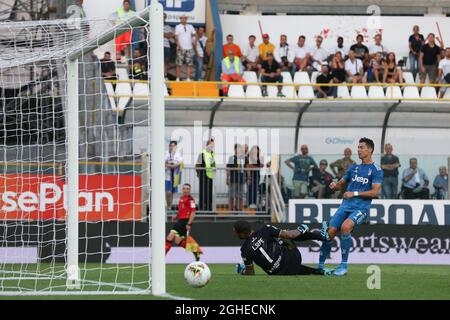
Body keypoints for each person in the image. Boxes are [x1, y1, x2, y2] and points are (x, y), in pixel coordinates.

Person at [319, 137, 383, 276]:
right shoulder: (353, 167)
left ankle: (343, 266)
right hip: (345, 206)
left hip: (361, 209)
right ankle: (320, 266)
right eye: (358, 147)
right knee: (329, 232)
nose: (358, 150)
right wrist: (335, 185)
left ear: (370, 150)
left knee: (345, 227)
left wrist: (353, 193)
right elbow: (341, 183)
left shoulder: (376, 170)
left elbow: (374, 192)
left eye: (361, 147)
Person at [234, 221, 332, 276]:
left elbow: (250, 273)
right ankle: (321, 236)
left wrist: (242, 271)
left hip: (277, 273)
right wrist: (300, 230)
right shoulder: (265, 229)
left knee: (283, 266)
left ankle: (319, 272)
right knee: (286, 234)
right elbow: (290, 235)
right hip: (293, 259)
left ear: (242, 233)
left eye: (236, 233)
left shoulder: (244, 250)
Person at [165, 183, 201, 261]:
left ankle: (162, 256)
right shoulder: (181, 199)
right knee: (178, 241)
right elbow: (181, 211)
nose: (185, 190)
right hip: (180, 220)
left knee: (170, 236)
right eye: (184, 188)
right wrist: (176, 216)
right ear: (182, 190)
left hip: (184, 221)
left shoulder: (191, 200)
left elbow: (193, 213)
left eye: (187, 189)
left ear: (190, 190)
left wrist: (189, 223)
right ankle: (195, 251)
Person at [195, 138, 216, 211]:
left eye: (213, 144)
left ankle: (209, 208)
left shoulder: (212, 154)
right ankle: (202, 208)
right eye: (210, 144)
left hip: (210, 176)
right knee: (203, 191)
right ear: (207, 145)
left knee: (209, 192)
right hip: (203, 175)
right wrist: (198, 173)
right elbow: (197, 165)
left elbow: (213, 165)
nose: (212, 146)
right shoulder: (202, 153)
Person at [174, 14, 196, 81]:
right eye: (182, 18)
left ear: (186, 19)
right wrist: (178, 45)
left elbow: (195, 34)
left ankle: (188, 78)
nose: (183, 19)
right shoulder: (178, 26)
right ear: (180, 19)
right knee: (178, 64)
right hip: (180, 48)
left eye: (184, 18)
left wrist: (194, 41)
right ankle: (177, 78)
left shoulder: (190, 26)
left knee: (189, 64)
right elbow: (176, 37)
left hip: (189, 48)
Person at [226, 144, 248, 212]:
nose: (238, 150)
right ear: (234, 149)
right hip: (233, 180)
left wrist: (248, 178)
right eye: (237, 148)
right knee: (231, 195)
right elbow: (228, 168)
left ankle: (239, 209)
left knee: (240, 196)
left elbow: (247, 168)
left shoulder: (244, 158)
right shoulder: (231, 158)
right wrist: (227, 178)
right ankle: (231, 209)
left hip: (241, 180)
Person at [165, 141, 183, 209]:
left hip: (175, 176)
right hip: (167, 176)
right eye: (171, 146)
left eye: (174, 146)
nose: (172, 147)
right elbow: (163, 162)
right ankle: (168, 205)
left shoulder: (178, 154)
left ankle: (170, 206)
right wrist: (169, 165)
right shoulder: (165, 153)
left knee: (172, 192)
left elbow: (180, 162)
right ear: (169, 146)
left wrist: (175, 165)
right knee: (168, 192)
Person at [163, 13, 174, 79]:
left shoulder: (168, 26)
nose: (162, 18)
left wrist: (163, 33)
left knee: (166, 61)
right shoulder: (154, 25)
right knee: (157, 61)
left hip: (167, 46)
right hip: (157, 46)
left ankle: (165, 75)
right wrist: (166, 34)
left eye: (164, 17)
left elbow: (170, 35)